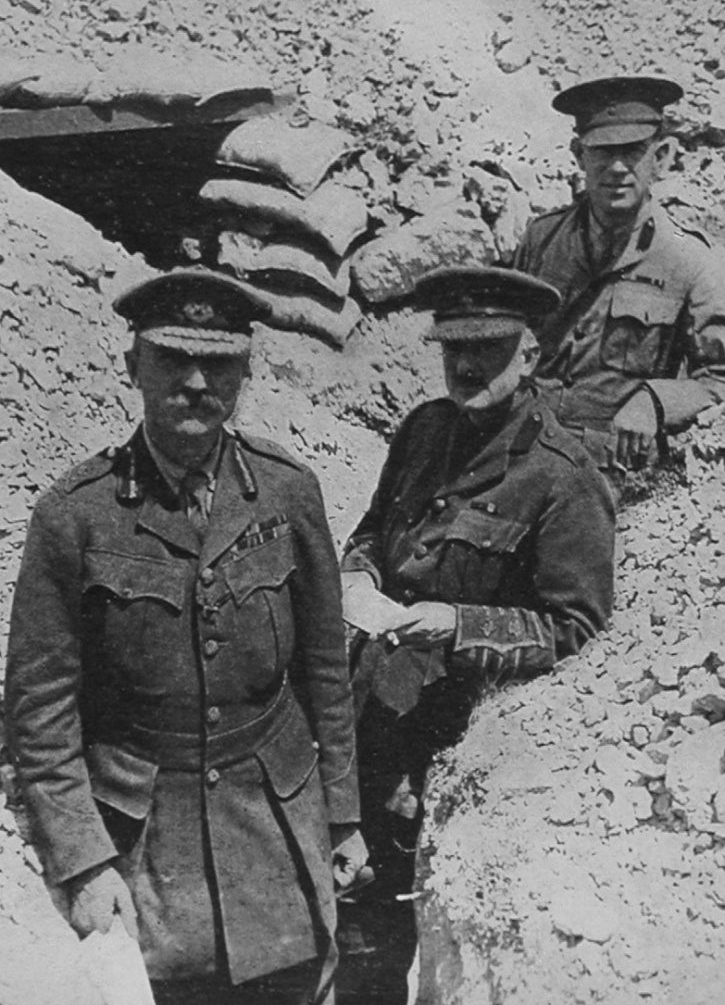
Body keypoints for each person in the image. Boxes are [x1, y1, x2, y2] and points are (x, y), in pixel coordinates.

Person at [5, 267, 365, 1005]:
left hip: (275, 823)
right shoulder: (74, 515)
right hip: (144, 840)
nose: (198, 382)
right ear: (133, 365)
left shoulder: (288, 489)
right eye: (174, 359)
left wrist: (343, 818)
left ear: (247, 372)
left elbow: (325, 670)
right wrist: (83, 861)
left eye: (220, 363)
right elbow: (39, 713)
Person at [341, 266, 615, 885]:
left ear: (529, 357)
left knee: (384, 918)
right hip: (357, 701)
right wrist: (356, 575)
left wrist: (458, 625)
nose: (467, 366)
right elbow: (372, 530)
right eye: (454, 348)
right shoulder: (423, 430)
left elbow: (576, 631)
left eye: (488, 349)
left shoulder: (563, 478)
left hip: (438, 734)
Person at [514, 76, 725, 475]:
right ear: (579, 155)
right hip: (524, 452)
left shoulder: (692, 260)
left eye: (631, 151)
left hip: (612, 472)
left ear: (660, 157)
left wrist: (655, 401)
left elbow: (718, 380)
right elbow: (506, 340)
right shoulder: (542, 240)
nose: (616, 168)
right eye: (601, 151)